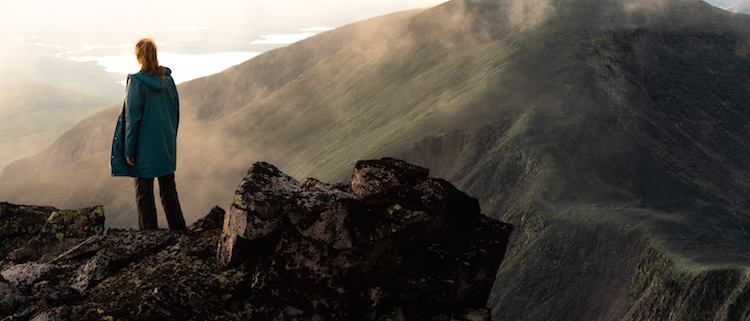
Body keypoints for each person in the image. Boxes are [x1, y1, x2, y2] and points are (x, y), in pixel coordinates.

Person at [110, 38, 186, 231]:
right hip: (165, 145)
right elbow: (175, 111)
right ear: (154, 55)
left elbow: (132, 119)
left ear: (138, 57)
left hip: (144, 148)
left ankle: (149, 238)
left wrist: (129, 149)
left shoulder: (137, 82)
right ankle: (180, 233)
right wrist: (169, 140)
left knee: (144, 193)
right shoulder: (167, 80)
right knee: (169, 190)